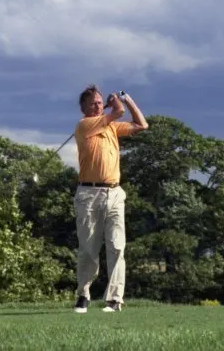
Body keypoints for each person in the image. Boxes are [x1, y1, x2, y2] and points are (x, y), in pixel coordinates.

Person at [72, 85, 148, 314]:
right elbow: (117, 112)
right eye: (93, 102)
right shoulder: (85, 125)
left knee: (116, 246)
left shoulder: (112, 128)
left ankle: (114, 300)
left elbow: (142, 125)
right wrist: (116, 102)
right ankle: (83, 294)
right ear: (84, 107)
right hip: (88, 194)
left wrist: (129, 99)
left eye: (99, 101)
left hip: (114, 193)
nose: (97, 104)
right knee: (88, 249)